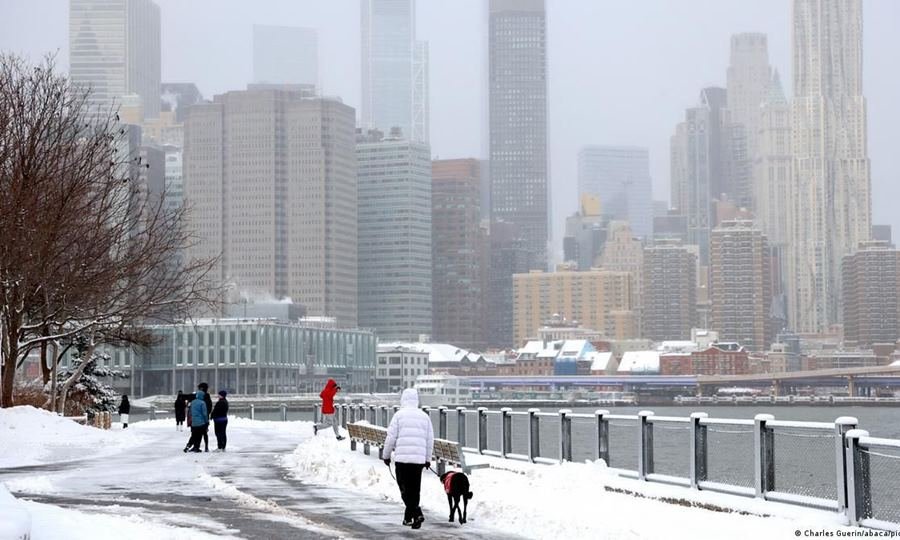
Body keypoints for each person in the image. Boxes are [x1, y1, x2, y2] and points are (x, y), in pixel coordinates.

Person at [382, 388, 434, 529]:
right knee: (414, 489)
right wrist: (427, 459)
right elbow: (430, 440)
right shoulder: (425, 417)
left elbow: (390, 437)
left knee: (404, 488)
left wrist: (386, 456)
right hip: (418, 461)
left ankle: (415, 514)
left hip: (402, 460)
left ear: (403, 399)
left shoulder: (399, 416)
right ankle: (411, 516)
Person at [198, 382, 213, 452]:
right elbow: (210, 406)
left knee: (197, 432)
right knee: (204, 433)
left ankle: (196, 446)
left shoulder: (199, 396)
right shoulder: (207, 396)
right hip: (205, 417)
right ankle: (206, 447)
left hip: (199, 417)